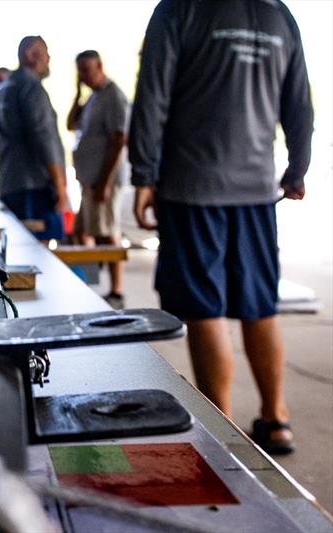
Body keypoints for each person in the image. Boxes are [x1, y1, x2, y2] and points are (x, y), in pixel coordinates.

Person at [129, 0, 313, 454]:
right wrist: (296, 170)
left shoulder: (179, 10)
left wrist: (144, 175)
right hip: (254, 190)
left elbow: (152, 95)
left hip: (193, 188)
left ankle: (223, 433)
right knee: (259, 305)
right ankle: (277, 419)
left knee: (204, 308)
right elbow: (299, 105)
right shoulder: (278, 15)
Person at [66, 50, 129, 309]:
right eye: (79, 70)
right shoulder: (92, 97)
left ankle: (116, 290)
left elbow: (118, 140)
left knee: (107, 233)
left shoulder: (114, 96)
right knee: (82, 230)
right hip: (89, 181)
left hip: (104, 181)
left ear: (99, 66)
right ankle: (90, 280)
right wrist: (77, 93)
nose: (83, 75)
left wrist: (104, 182)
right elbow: (71, 124)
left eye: (87, 69)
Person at [0, 36, 67, 241]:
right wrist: (59, 183)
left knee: (19, 251)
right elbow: (43, 136)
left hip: (12, 183)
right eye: (44, 53)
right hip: (35, 187)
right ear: (30, 55)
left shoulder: (6, 89)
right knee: (37, 255)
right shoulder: (30, 87)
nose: (48, 58)